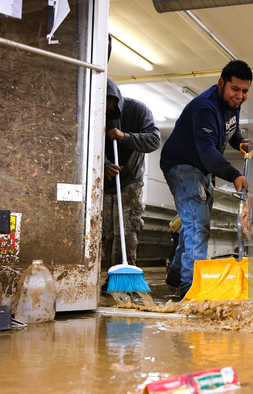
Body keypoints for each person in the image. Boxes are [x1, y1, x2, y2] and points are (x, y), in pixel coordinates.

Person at [160, 60, 252, 298]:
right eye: (235, 89)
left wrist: (241, 142)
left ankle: (176, 273)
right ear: (221, 83)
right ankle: (190, 290)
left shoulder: (233, 104)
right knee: (197, 225)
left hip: (200, 168)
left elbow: (231, 131)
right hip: (181, 166)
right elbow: (208, 152)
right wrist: (234, 174)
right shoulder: (205, 107)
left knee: (193, 221)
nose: (240, 96)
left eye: (245, 91)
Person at [101, 77, 161, 290]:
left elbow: (154, 140)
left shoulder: (138, 110)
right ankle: (112, 278)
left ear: (114, 98)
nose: (104, 109)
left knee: (125, 232)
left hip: (130, 181)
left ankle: (126, 279)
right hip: (105, 181)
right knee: (107, 235)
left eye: (106, 103)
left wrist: (125, 136)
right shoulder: (96, 111)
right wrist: (106, 164)